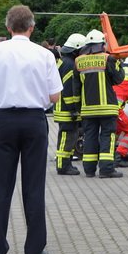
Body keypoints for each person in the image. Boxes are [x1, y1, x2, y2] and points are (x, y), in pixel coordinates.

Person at [0, 5, 62, 254]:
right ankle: (34, 250)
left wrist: (1, 94)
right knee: (33, 186)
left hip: (5, 121)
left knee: (2, 186)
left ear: (8, 27)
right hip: (34, 120)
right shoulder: (44, 54)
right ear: (32, 27)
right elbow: (55, 95)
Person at [76, 29, 125, 178]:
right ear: (101, 45)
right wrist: (119, 64)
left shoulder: (79, 61)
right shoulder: (107, 59)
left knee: (89, 137)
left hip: (87, 110)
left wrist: (79, 109)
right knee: (107, 136)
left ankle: (89, 170)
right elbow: (119, 79)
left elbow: (76, 88)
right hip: (107, 109)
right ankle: (106, 169)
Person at [53, 33, 86, 175]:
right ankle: (63, 166)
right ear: (76, 50)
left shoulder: (63, 61)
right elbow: (69, 89)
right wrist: (74, 109)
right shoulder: (70, 65)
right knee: (67, 137)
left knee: (67, 136)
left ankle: (66, 164)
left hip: (62, 106)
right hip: (66, 109)